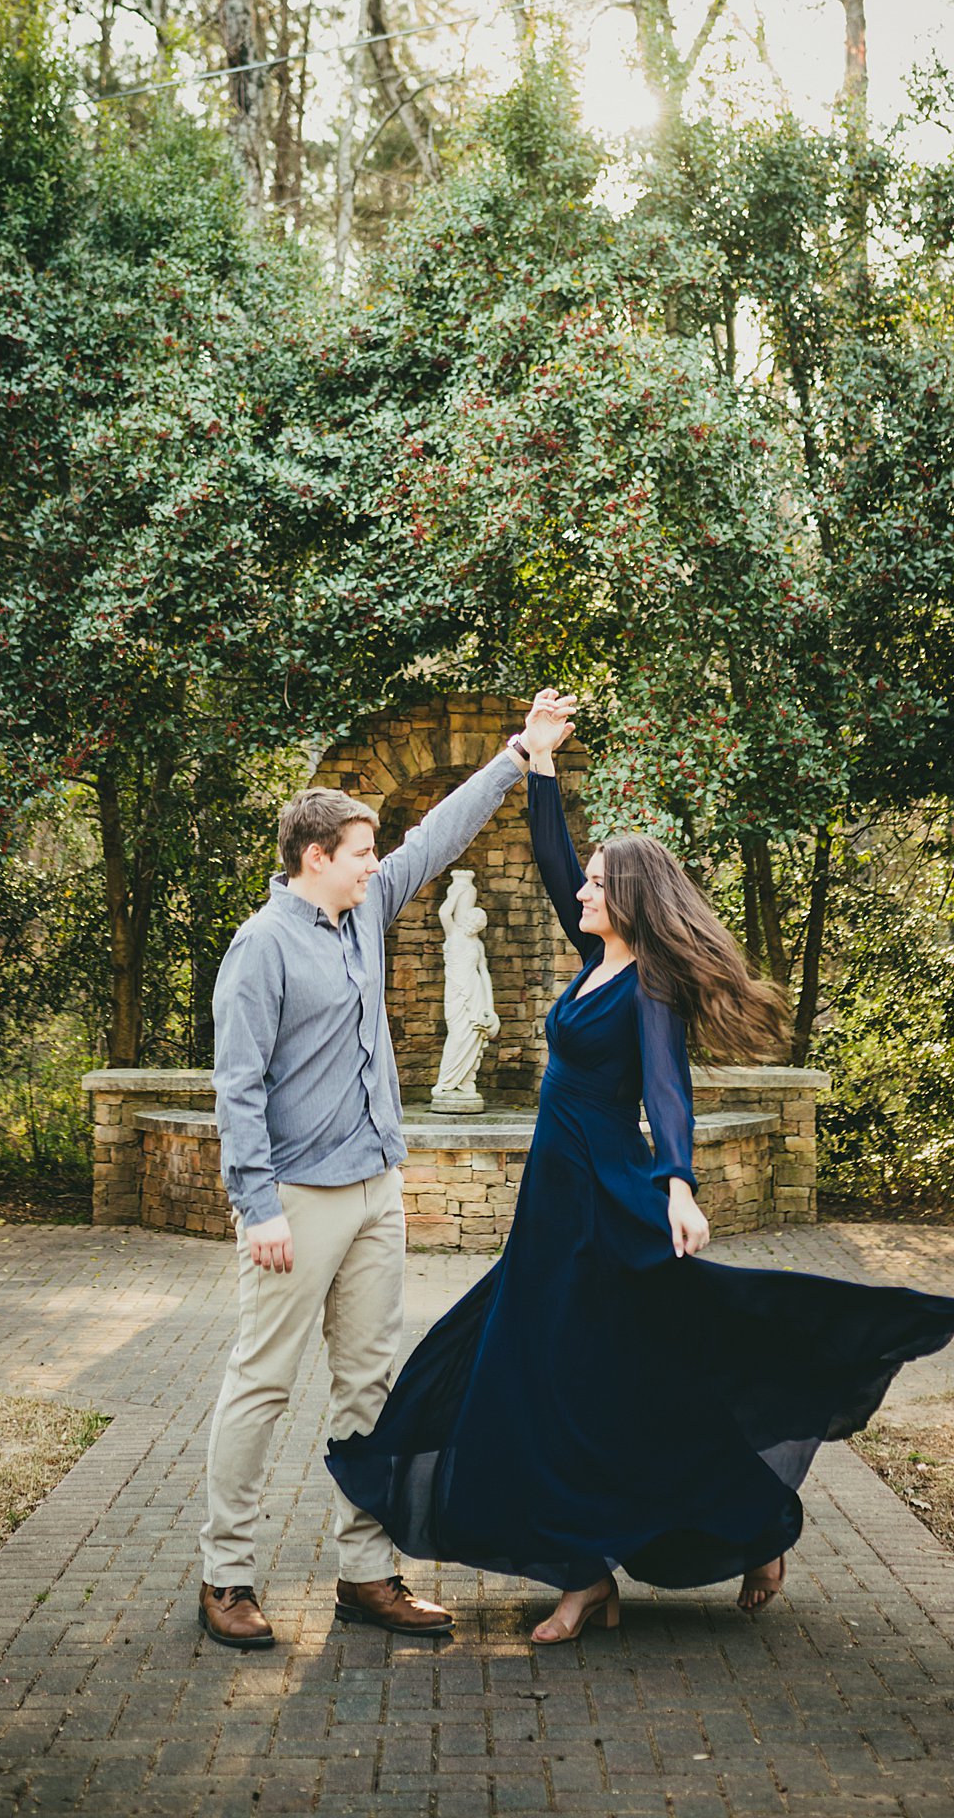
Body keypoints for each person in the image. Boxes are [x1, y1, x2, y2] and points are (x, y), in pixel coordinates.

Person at [327, 693, 954, 1644]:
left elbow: (666, 1090)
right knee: (543, 1383)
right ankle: (589, 1571)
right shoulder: (594, 956)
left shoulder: (652, 986)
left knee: (618, 1385)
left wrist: (677, 1182)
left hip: (605, 1203)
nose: (581, 893)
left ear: (628, 899)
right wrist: (537, 770)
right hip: (550, 1209)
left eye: (597, 886)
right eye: (584, 884)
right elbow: (553, 861)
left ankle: (713, 1539)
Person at [197, 693, 566, 1650]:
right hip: (295, 1203)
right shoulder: (260, 947)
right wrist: (257, 1205)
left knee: (367, 1387)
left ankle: (364, 1574)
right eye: (362, 851)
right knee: (262, 1383)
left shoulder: (363, 917)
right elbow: (234, 1087)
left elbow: (438, 836)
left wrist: (518, 755)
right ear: (315, 856)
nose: (376, 861)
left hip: (374, 1191)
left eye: (374, 852)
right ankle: (225, 1577)